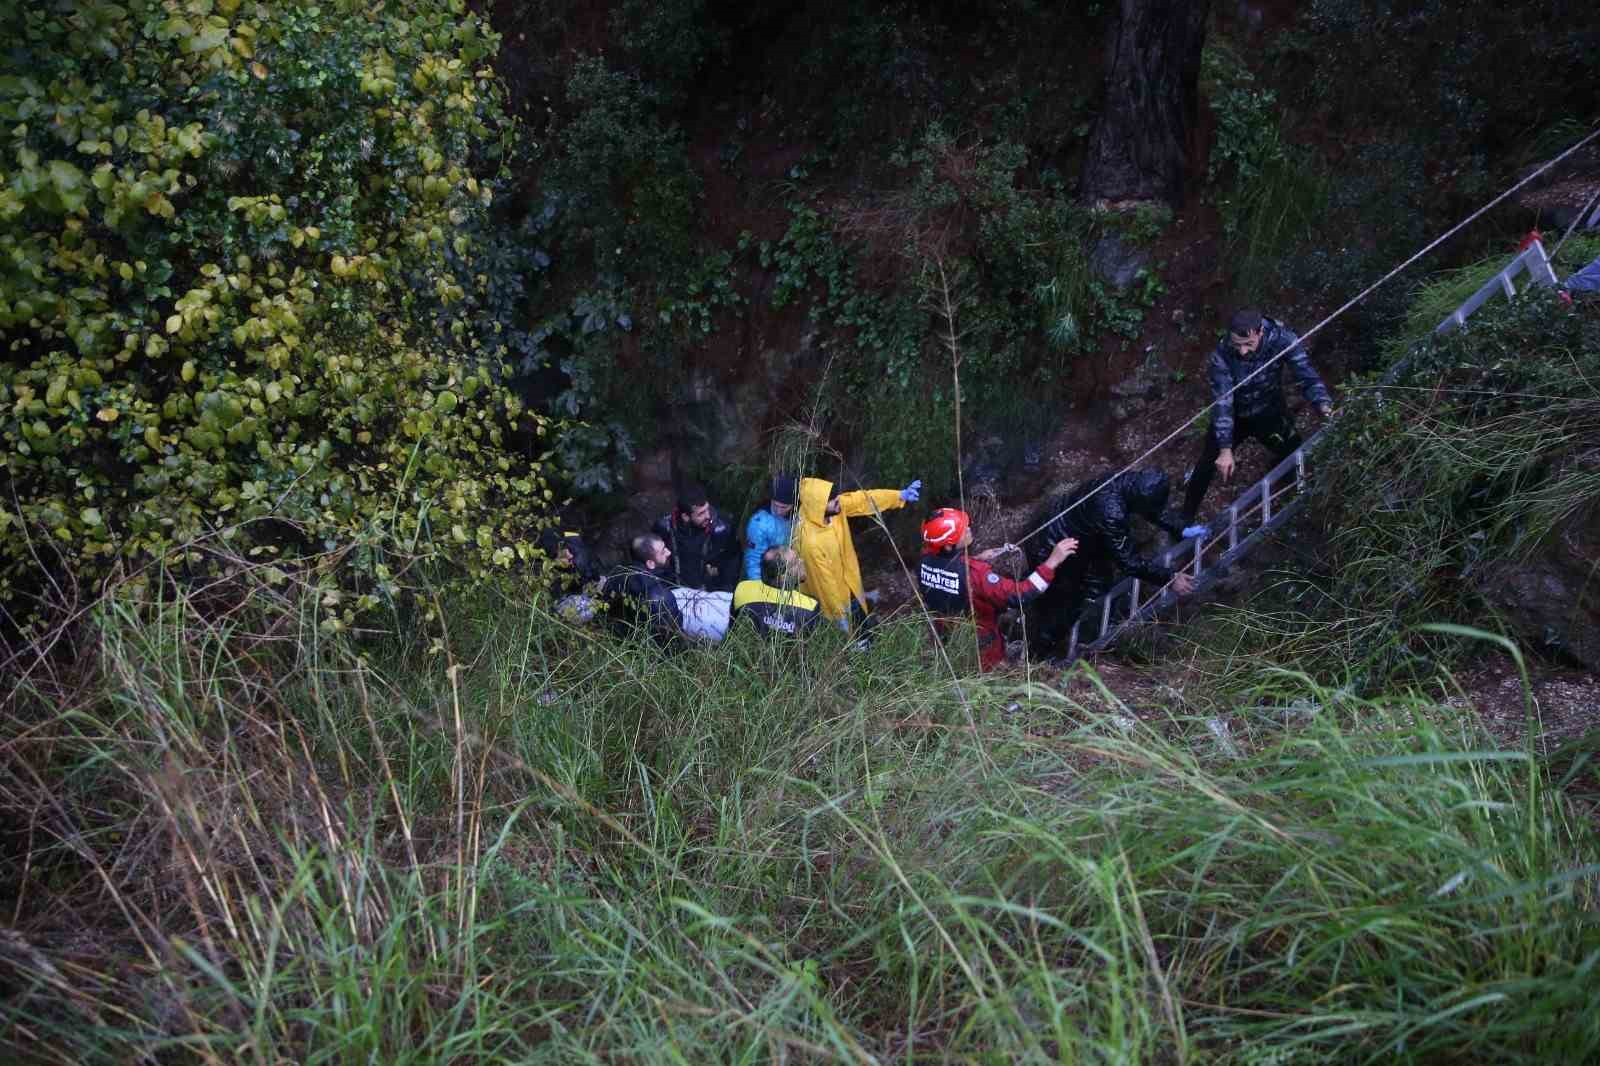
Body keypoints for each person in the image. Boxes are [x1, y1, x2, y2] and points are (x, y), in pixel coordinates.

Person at [1181, 307, 1334, 525]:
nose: (1242, 351)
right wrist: (1225, 449)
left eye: (1248, 344)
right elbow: (1223, 401)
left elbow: (1306, 375)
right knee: (1208, 462)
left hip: (1268, 410)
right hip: (1235, 416)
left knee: (1292, 448)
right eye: (1237, 345)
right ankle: (1185, 517)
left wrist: (1323, 405)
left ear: (1259, 332)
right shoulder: (1222, 354)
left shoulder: (1283, 340)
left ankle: (1300, 494)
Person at [1025, 469, 1196, 653]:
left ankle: (1090, 629)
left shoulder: (1127, 480)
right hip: (1052, 546)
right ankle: (1041, 651)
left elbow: (1151, 509)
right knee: (1067, 601)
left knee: (1100, 583)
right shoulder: (1111, 511)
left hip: (1079, 535)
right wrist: (1170, 578)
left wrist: (1180, 528)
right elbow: (1128, 562)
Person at [917, 508, 1079, 671]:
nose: (968, 529)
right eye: (962, 530)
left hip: (948, 636)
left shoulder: (924, 560)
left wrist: (976, 559)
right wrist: (1052, 561)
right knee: (988, 676)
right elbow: (1020, 595)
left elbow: (948, 569)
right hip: (981, 650)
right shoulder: (976, 575)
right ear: (948, 546)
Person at [794, 475, 921, 628]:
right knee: (844, 628)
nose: (839, 503)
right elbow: (825, 585)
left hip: (850, 579)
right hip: (833, 596)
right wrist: (839, 616)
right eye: (834, 502)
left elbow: (864, 500)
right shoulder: (810, 541)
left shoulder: (833, 510)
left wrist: (898, 495)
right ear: (819, 507)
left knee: (858, 611)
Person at [653, 482, 740, 592]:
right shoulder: (664, 528)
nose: (708, 516)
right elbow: (655, 563)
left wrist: (724, 591)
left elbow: (732, 563)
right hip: (674, 591)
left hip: (712, 593)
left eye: (707, 509)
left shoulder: (722, 528)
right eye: (701, 513)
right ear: (685, 517)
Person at [600, 533, 685, 642]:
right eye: (663, 551)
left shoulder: (616, 575)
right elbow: (674, 640)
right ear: (650, 563)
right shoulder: (660, 596)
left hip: (616, 643)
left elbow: (603, 614)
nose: (669, 552)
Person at [732, 546, 823, 638]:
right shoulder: (810, 606)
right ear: (782, 577)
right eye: (795, 562)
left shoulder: (742, 589)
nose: (801, 561)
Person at [539, 527, 604, 623]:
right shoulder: (571, 537)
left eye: (567, 550)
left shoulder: (577, 560)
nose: (569, 556)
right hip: (593, 578)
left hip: (591, 583)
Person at [744, 474, 798, 581]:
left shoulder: (796, 516)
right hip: (766, 578)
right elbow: (753, 559)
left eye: (784, 507)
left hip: (785, 575)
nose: (778, 510)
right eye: (775, 505)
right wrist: (756, 587)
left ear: (793, 504)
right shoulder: (759, 524)